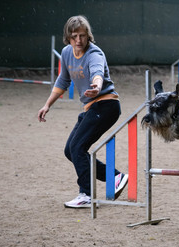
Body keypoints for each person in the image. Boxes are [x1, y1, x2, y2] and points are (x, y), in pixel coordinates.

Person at [38, 15, 128, 208]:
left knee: (78, 147)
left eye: (82, 36)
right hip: (91, 108)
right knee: (70, 151)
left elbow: (97, 73)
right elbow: (63, 80)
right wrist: (47, 105)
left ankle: (86, 195)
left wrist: (96, 86)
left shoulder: (95, 54)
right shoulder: (67, 53)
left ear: (88, 36)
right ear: (68, 37)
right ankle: (116, 176)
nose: (78, 40)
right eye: (74, 36)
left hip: (106, 105)